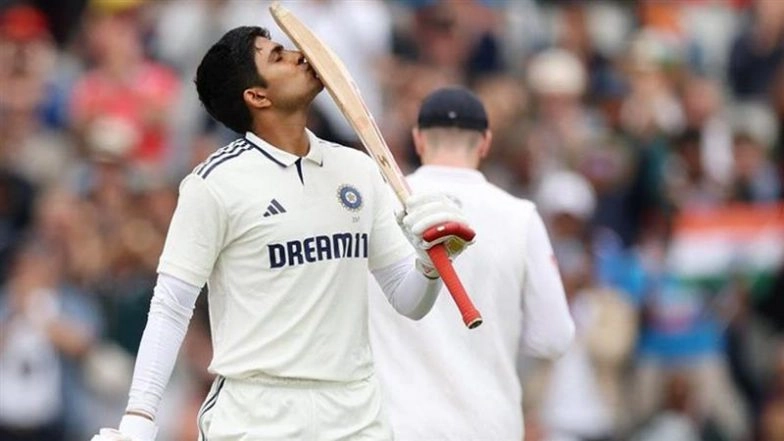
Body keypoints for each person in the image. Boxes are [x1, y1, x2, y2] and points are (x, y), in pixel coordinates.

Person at [90, 26, 475, 441]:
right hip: (257, 413)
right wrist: (138, 420)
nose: (300, 56)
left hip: (355, 411)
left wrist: (430, 263)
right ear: (257, 96)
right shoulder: (214, 184)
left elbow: (408, 299)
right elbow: (171, 305)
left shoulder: (359, 169)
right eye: (278, 56)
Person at [368, 86, 575, 440]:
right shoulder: (519, 216)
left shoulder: (378, 205)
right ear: (484, 143)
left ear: (418, 139)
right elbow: (553, 338)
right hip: (487, 425)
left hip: (397, 425)